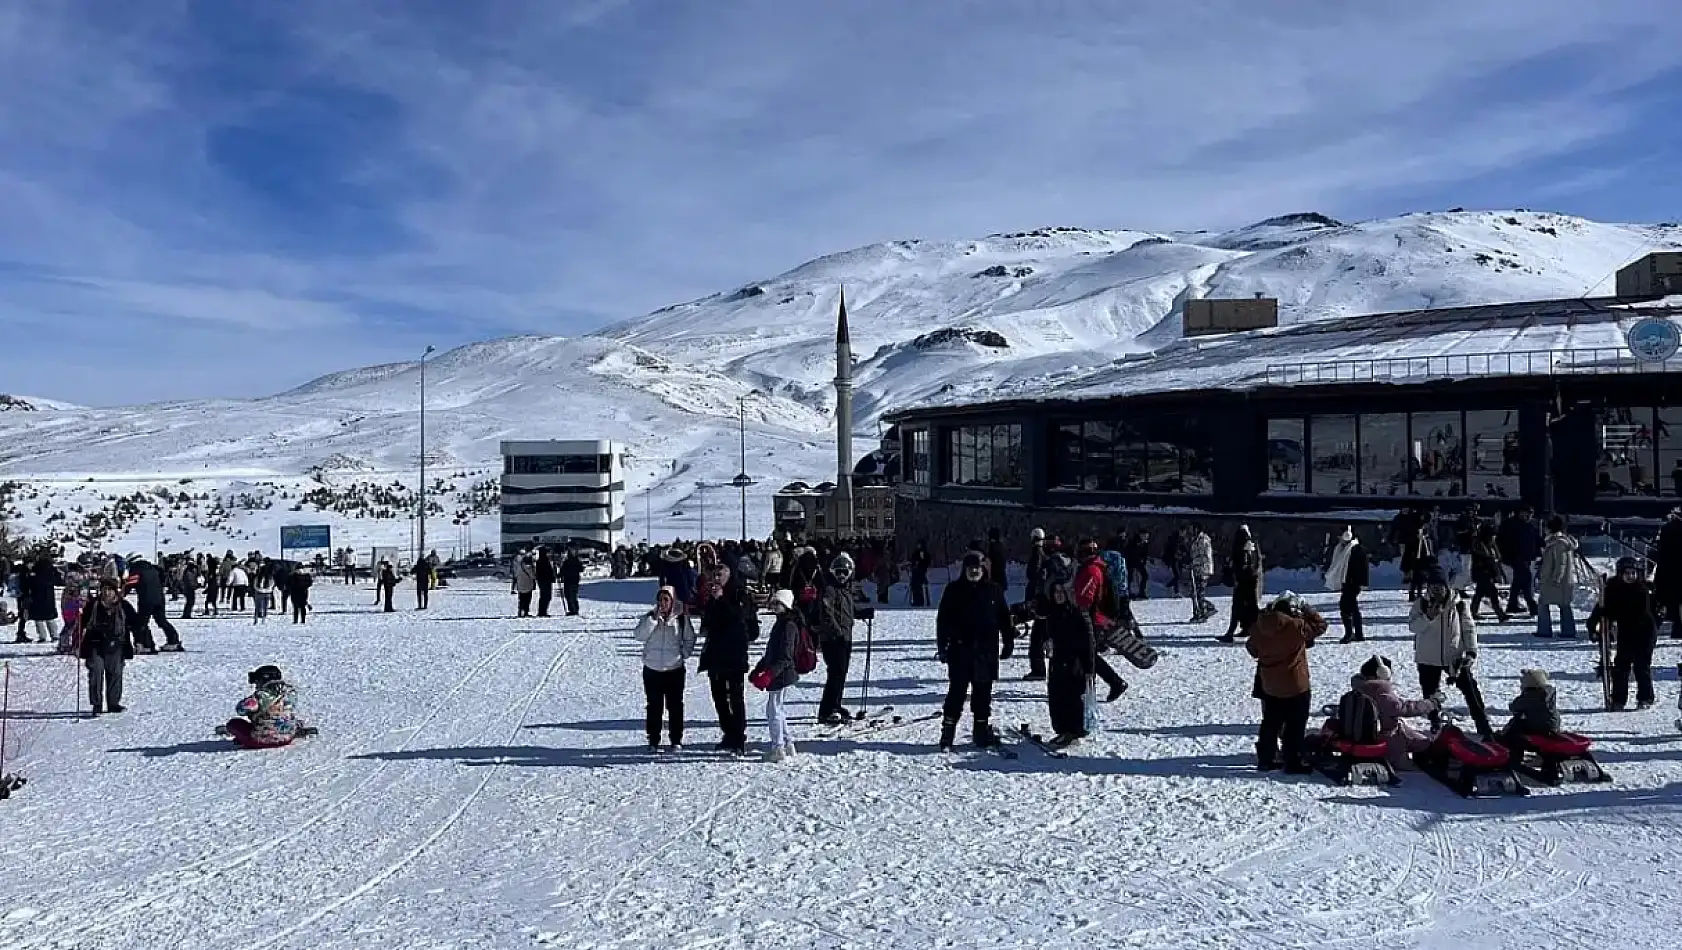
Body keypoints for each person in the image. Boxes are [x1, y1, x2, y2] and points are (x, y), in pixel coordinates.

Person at [935, 551, 1012, 750]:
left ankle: (980, 733)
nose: (974, 571)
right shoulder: (953, 590)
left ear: (983, 568)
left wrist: (1008, 640)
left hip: (986, 652)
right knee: (956, 694)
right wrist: (942, 645)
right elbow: (943, 620)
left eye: (977, 567)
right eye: (970, 568)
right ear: (965, 570)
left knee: (983, 695)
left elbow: (1004, 618)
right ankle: (947, 735)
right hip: (960, 651)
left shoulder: (994, 590)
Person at [1246, 592, 1326, 773]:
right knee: (1296, 724)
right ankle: (1292, 760)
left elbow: (1252, 649)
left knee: (1270, 722)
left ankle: (1266, 759)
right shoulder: (1296, 626)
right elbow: (1321, 626)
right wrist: (1307, 609)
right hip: (1296, 683)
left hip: (1270, 684)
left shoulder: (1259, 627)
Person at [1409, 566, 1492, 738]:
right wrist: (1429, 617)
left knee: (1471, 690)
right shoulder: (1421, 604)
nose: (1436, 590)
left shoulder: (1459, 604)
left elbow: (1469, 629)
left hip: (1454, 656)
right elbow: (1413, 627)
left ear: (1447, 586)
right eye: (1433, 586)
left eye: (1440, 586)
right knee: (1430, 693)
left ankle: (1483, 725)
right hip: (1427, 657)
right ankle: (1435, 721)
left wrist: (1471, 652)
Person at [1587, 556, 1660, 710]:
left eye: (1633, 573)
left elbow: (1630, 612)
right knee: (1621, 666)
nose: (1631, 576)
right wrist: (1594, 625)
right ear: (1620, 573)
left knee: (1641, 665)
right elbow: (1601, 608)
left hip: (1644, 631)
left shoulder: (1642, 590)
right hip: (1626, 631)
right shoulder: (1613, 588)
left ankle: (1645, 698)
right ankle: (1618, 699)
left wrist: (1610, 613)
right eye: (1627, 573)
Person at [1345, 655, 1439, 771]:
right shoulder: (1380, 693)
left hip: (1366, 735)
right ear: (1382, 673)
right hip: (1388, 741)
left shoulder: (1359, 689)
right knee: (1415, 766)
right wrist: (1431, 703)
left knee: (1419, 740)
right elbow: (1406, 708)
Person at [698, 566, 756, 754]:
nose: (716, 578)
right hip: (716, 653)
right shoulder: (713, 595)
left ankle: (738, 736)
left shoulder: (739, 593)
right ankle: (728, 733)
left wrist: (721, 599)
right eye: (714, 574)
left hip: (734, 653)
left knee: (736, 697)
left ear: (729, 576)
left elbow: (738, 617)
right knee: (719, 697)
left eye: (720, 575)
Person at [632, 586, 695, 753]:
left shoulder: (681, 619)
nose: (662, 603)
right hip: (652, 668)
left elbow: (690, 639)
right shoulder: (649, 617)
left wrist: (683, 654)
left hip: (674, 669)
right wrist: (653, 620)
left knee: (675, 706)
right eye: (660, 599)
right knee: (654, 706)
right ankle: (653, 739)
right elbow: (639, 635)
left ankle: (676, 739)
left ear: (673, 601)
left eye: (666, 599)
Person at [1042, 575, 1095, 747]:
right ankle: (1062, 730)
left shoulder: (1077, 612)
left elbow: (1088, 642)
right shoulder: (1051, 614)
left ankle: (1072, 732)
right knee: (1056, 697)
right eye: (1055, 592)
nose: (1058, 595)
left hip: (1074, 663)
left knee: (1071, 698)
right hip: (1057, 661)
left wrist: (1089, 669)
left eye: (1061, 592)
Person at [752, 589, 803, 762]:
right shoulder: (781, 623)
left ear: (786, 605)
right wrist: (758, 669)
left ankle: (778, 747)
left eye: (777, 604)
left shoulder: (788, 625)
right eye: (773, 603)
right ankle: (788, 743)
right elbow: (771, 652)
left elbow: (785, 657)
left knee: (773, 709)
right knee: (778, 708)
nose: (774, 607)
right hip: (778, 672)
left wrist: (769, 674)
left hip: (782, 674)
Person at [78, 578, 137, 716]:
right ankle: (96, 704)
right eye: (104, 589)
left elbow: (136, 624)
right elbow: (81, 624)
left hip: (117, 645)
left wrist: (139, 641)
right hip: (95, 645)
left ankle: (113, 703)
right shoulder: (93, 605)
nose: (106, 592)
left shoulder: (124, 606)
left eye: (109, 589)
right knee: (96, 674)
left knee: (115, 673)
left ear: (115, 591)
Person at [814, 553, 857, 724]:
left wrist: (861, 613)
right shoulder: (830, 590)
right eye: (838, 572)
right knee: (835, 673)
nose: (841, 576)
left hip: (845, 637)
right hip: (832, 639)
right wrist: (837, 632)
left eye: (844, 573)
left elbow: (845, 611)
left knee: (841, 673)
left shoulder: (845, 590)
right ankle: (827, 710)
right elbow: (826, 613)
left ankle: (836, 704)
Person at [225, 665, 304, 749]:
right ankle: (289, 730)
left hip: (260, 740)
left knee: (233, 724)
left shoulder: (262, 696)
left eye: (257, 682)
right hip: (287, 739)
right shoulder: (291, 692)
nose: (256, 686)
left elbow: (240, 709)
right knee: (285, 716)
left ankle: (243, 738)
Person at [1535, 516, 1579, 639]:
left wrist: (1556, 578)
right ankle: (1568, 631)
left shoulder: (1558, 543)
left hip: (1555, 580)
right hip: (1562, 580)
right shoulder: (1560, 541)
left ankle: (1544, 630)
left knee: (1544, 603)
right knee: (1563, 604)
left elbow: (1561, 563)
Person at [1324, 526, 1370, 643]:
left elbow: (1363, 567)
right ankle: (1358, 634)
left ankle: (1349, 633)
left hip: (1353, 583)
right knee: (1353, 608)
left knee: (1345, 607)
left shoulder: (1357, 549)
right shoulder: (1342, 549)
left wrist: (1362, 583)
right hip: (1346, 582)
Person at [1218, 527, 1264, 644]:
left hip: (1244, 581)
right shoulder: (1253, 543)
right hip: (1252, 580)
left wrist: (1236, 574)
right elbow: (1257, 560)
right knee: (1250, 607)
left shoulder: (1242, 544)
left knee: (1238, 607)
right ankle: (1248, 629)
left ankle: (1230, 633)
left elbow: (1243, 563)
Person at [1497, 506, 1541, 618]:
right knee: (1526, 579)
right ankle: (1532, 605)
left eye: (1530, 515)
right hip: (1515, 556)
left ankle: (1512, 604)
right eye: (1527, 514)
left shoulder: (1528, 526)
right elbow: (1501, 541)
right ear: (1520, 513)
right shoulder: (1510, 525)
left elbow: (1535, 540)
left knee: (1518, 581)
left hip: (1525, 557)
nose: (1529, 517)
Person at [1467, 522, 1508, 623]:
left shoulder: (1486, 544)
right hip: (1483, 572)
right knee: (1492, 593)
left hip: (1485, 572)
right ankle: (1500, 614)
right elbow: (1487, 559)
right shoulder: (1480, 544)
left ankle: (1472, 612)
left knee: (1479, 594)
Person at [1503, 668, 1561, 738]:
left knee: (1518, 721)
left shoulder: (1531, 696)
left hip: (1540, 728)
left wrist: (1523, 694)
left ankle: (1506, 737)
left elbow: (1515, 706)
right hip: (1553, 726)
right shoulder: (1548, 692)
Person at [24, 554, 62, 646]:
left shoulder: (35, 571)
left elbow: (29, 583)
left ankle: (42, 636)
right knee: (50, 618)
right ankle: (54, 635)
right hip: (49, 596)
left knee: (39, 619)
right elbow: (58, 580)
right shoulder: (51, 570)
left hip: (37, 597)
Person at [1187, 525, 1216, 623]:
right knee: (1194, 592)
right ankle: (1198, 612)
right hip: (1196, 569)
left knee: (1200, 593)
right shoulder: (1195, 539)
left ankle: (1205, 611)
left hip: (1203, 569)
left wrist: (1194, 561)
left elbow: (1205, 557)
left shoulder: (1204, 540)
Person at [512, 551, 537, 617]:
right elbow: (533, 576)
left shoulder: (518, 566)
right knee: (527, 599)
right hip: (528, 585)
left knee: (521, 599)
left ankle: (520, 611)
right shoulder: (528, 567)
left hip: (520, 585)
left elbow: (515, 575)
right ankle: (525, 612)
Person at [560, 548, 584, 617]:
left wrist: (560, 575)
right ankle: (575, 609)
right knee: (573, 596)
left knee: (569, 596)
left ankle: (573, 610)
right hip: (575, 581)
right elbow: (581, 569)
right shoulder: (577, 561)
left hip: (568, 581)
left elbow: (562, 571)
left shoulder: (567, 562)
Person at [908, 541, 932, 608]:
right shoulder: (916, 553)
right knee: (914, 585)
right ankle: (916, 600)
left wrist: (919, 565)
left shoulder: (923, 553)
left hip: (921, 572)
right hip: (915, 572)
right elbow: (913, 560)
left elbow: (924, 562)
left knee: (917, 585)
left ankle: (919, 601)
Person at [535, 547, 556, 617]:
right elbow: (547, 571)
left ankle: (542, 611)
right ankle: (542, 612)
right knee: (546, 596)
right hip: (545, 581)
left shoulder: (542, 560)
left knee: (545, 596)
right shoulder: (543, 560)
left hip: (544, 581)